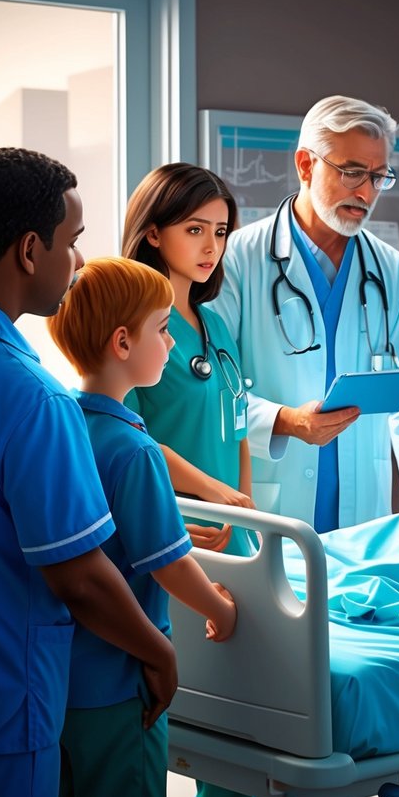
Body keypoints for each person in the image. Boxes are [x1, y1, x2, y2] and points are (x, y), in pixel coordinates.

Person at [0, 148, 177, 797]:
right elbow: (78, 577)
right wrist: (158, 652)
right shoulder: (30, 397)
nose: (78, 261)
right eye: (73, 242)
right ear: (30, 250)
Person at [47, 257, 238, 797]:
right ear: (123, 343)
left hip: (64, 683)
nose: (173, 346)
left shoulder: (65, 425)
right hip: (121, 684)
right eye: (163, 330)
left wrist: (177, 532)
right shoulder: (135, 448)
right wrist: (219, 610)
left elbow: (105, 533)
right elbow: (168, 566)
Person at [212, 94, 399, 534]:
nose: (366, 192)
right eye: (352, 172)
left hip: (363, 507)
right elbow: (212, 388)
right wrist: (286, 422)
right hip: (270, 499)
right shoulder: (239, 258)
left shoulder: (387, 267)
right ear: (305, 165)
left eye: (378, 177)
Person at [123, 163, 257, 560]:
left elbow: (239, 433)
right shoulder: (130, 326)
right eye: (195, 230)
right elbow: (127, 439)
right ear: (153, 233)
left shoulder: (214, 324)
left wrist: (246, 518)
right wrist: (213, 493)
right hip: (175, 528)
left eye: (220, 232)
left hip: (233, 536)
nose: (212, 247)